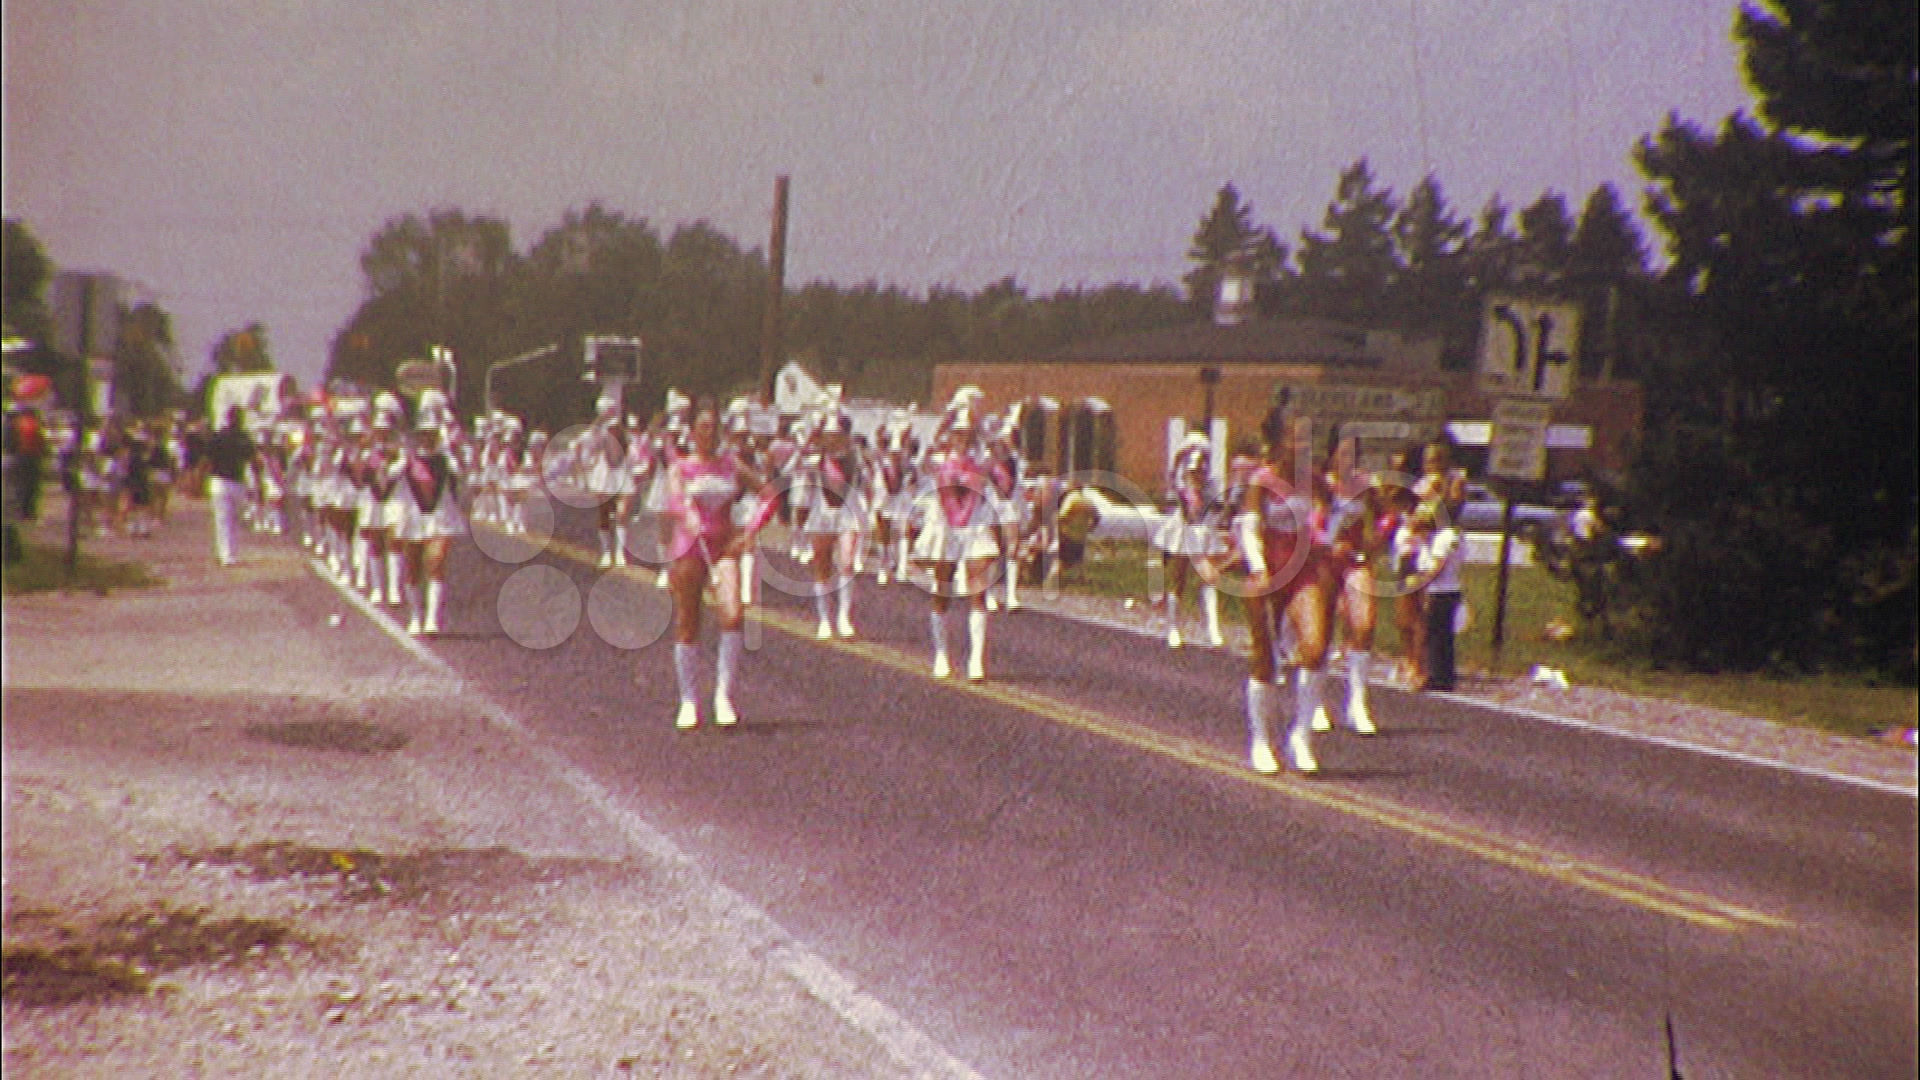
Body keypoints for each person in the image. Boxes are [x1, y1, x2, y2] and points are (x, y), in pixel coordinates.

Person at [1233, 407, 1332, 775]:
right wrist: (1258, 569)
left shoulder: (1315, 480)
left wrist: (1326, 540)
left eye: (1307, 438)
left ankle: (1301, 736)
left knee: (1316, 646)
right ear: (1278, 442)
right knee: (1265, 658)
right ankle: (1261, 740)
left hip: (1303, 569)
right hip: (1269, 569)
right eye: (1295, 437)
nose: (1302, 445)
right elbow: (1249, 527)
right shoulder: (1262, 481)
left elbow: (1329, 516)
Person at [659, 399, 768, 729]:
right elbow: (675, 499)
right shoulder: (681, 467)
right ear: (691, 432)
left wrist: (749, 531)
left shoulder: (731, 465)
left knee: (733, 614)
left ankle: (724, 696)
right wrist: (686, 513)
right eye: (702, 427)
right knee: (688, 620)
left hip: (723, 546)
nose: (709, 433)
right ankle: (689, 700)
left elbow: (770, 494)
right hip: (690, 546)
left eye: (714, 427)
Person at [912, 406, 1009, 681]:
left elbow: (1004, 486)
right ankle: (942, 653)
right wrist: (939, 429)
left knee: (978, 593)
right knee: (942, 594)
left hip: (975, 525)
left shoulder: (984, 461)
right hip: (945, 527)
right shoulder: (937, 458)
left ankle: (976, 660)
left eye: (968, 435)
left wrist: (992, 458)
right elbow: (919, 467)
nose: (963, 440)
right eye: (958, 435)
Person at [1315, 430, 1382, 734]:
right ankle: (1315, 702)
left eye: (1353, 455)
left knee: (1365, 623)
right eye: (1343, 454)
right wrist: (1326, 543)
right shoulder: (1321, 485)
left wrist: (1375, 542)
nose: (1348, 461)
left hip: (1355, 560)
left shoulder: (1365, 484)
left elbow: (1385, 516)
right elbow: (1308, 523)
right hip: (1325, 561)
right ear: (1331, 455)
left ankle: (1357, 703)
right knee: (1322, 631)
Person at [1153, 431, 1227, 648]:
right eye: (1194, 467)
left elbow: (1214, 507)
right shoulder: (1182, 486)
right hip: (1185, 529)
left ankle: (1212, 628)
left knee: (1209, 579)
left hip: (1204, 529)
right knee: (1179, 579)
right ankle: (1174, 628)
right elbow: (1188, 507)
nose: (1198, 471)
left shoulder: (1211, 485)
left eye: (1202, 464)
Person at [797, 410, 867, 639]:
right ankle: (825, 619)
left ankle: (844, 617)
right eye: (828, 435)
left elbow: (868, 480)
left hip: (848, 512)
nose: (833, 439)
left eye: (837, 434)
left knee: (846, 563)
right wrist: (810, 441)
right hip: (821, 513)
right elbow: (793, 470)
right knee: (822, 567)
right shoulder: (815, 460)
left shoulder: (856, 458)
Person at [394, 419, 465, 635]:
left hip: (440, 517)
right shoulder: (407, 460)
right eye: (423, 434)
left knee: (436, 563)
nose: (427, 439)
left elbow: (460, 471)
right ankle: (416, 616)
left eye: (431, 434)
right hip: (413, 518)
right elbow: (388, 476)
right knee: (413, 569)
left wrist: (454, 448)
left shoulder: (446, 460)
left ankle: (433, 619)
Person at [1411, 503, 1464, 692]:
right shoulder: (1445, 536)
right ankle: (1444, 673)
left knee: (1435, 633)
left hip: (1441, 589)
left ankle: (1437, 675)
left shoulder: (1444, 538)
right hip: (1448, 588)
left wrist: (1421, 582)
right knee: (1442, 634)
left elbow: (1438, 566)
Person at [203, 406, 257, 566]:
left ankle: (225, 554)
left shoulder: (218, 436)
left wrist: (199, 478)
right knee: (233, 519)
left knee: (223, 519)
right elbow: (254, 460)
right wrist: (258, 482)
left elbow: (206, 460)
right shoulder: (244, 438)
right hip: (236, 481)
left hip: (219, 481)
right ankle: (230, 554)